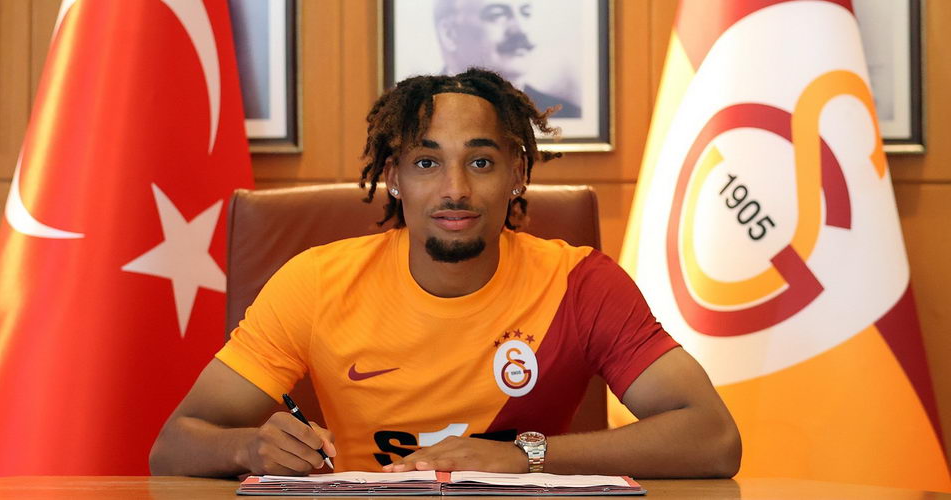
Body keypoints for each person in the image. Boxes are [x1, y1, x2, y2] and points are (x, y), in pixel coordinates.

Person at [149, 69, 741, 478]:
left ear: (517, 174)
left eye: (480, 161)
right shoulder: (315, 282)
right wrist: (250, 448)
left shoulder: (581, 283)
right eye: (427, 162)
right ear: (394, 179)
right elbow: (174, 444)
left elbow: (713, 438)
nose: (455, 189)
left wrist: (524, 457)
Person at [433, 0, 582, 118]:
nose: (521, 29)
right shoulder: (422, 112)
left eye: (526, 13)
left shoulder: (565, 113)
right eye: (497, 15)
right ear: (449, 33)